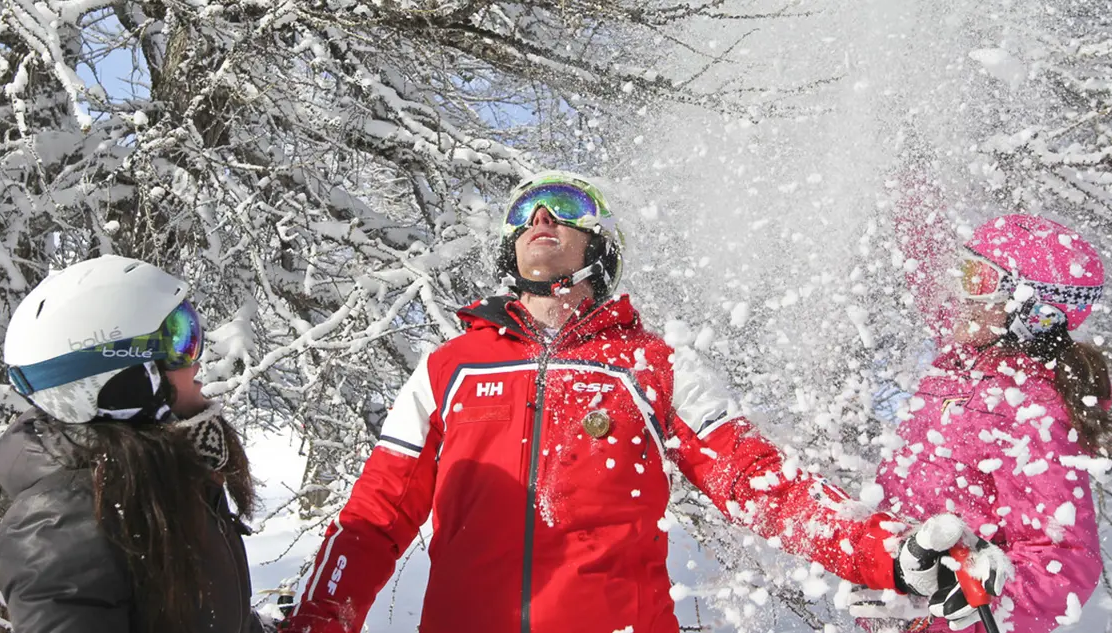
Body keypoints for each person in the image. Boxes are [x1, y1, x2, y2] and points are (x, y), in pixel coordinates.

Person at [284, 171, 1013, 633]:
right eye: (525, 210)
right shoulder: (449, 367)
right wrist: (316, 620)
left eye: (564, 206)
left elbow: (761, 483)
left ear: (599, 245)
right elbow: (373, 517)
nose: (541, 215)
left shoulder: (653, 365)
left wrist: (885, 552)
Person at [862, 175, 1109, 632]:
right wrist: (907, 182)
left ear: (1032, 310)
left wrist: (975, 613)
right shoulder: (965, 358)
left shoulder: (1032, 409)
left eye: (977, 280)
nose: (959, 293)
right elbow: (926, 272)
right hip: (897, 606)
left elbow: (1066, 558)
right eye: (962, 271)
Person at [0, 255, 267, 633]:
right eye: (179, 342)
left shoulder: (165, 472)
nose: (197, 361)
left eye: (190, 331)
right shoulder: (61, 527)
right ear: (125, 382)